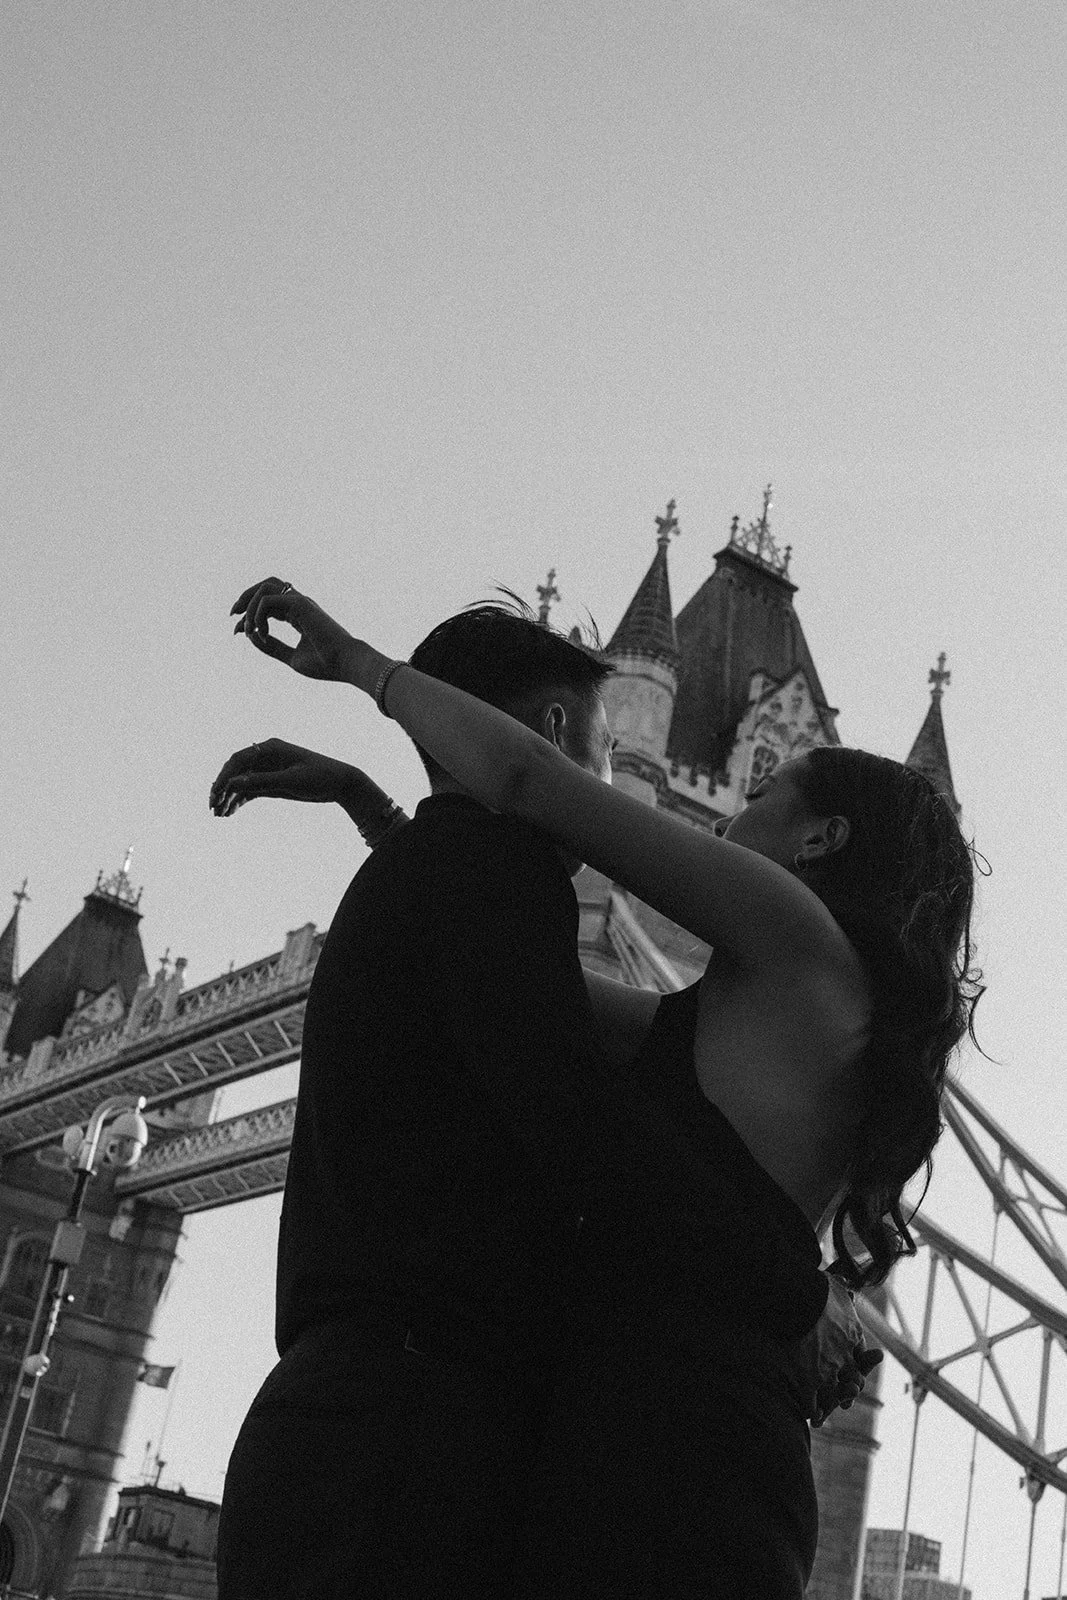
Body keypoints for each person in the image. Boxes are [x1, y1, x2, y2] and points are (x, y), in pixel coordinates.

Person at [213, 587, 913, 1599]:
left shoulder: (792, 938)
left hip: (605, 1445)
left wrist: (373, 707)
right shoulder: (506, 893)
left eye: (757, 793)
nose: (714, 814)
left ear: (820, 841)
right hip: (495, 1434)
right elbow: (552, 1046)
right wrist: (394, 815)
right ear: (550, 726)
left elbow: (572, 1095)